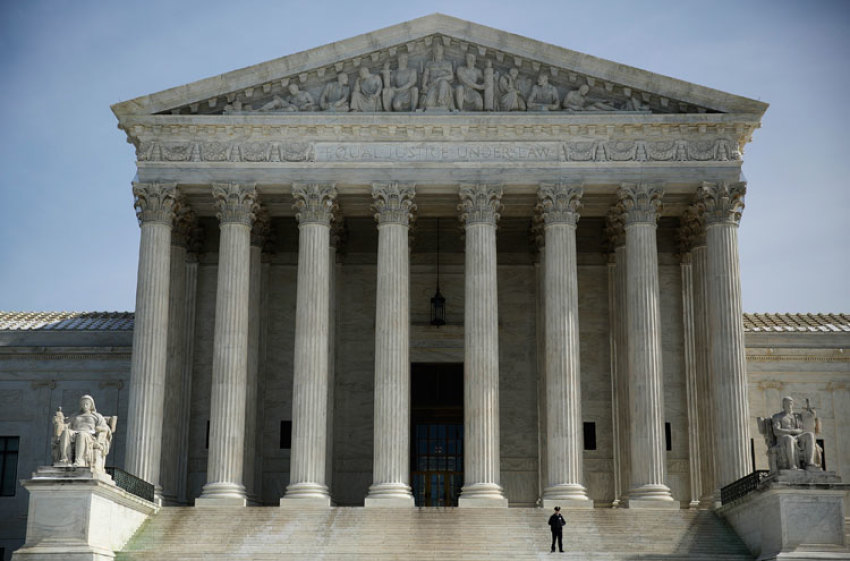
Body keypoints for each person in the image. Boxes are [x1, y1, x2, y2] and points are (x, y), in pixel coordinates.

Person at [54, 395, 112, 471]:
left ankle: (80, 461)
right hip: (74, 433)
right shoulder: (75, 415)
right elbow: (65, 425)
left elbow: (106, 428)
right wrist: (58, 420)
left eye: (87, 404)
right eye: (83, 404)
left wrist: (99, 428)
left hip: (90, 435)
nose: (84, 405)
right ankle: (65, 459)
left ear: (91, 405)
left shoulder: (97, 416)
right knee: (65, 432)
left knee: (81, 434)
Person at [772, 396, 818, 470]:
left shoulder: (797, 416)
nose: (788, 405)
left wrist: (811, 413)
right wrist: (791, 431)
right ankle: (792, 465)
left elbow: (802, 429)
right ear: (783, 405)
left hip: (797, 436)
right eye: (786, 404)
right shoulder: (777, 416)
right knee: (789, 438)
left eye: (790, 404)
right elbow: (776, 431)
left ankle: (810, 462)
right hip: (783, 438)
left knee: (810, 435)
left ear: (792, 405)